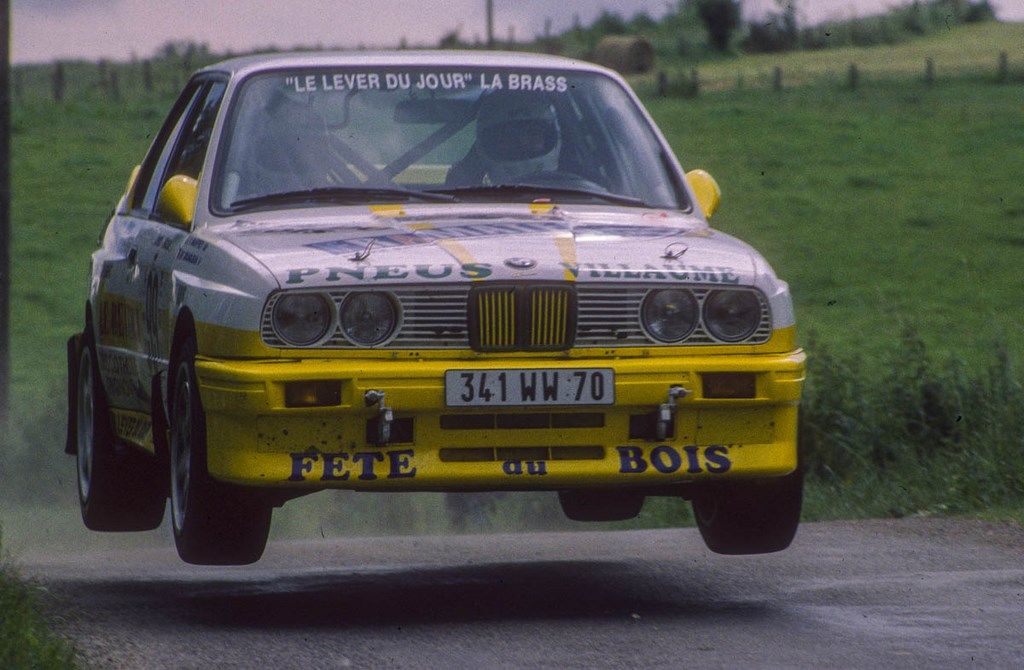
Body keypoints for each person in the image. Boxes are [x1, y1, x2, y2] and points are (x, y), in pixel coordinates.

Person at [446, 91, 562, 187]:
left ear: (551, 138)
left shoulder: (577, 187)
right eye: (510, 137)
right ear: (489, 145)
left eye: (533, 133)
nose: (523, 143)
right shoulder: (464, 200)